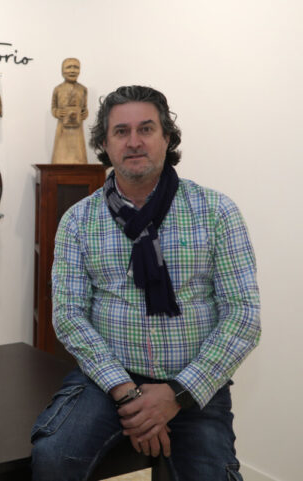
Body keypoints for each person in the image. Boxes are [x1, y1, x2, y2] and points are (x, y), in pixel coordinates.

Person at [31, 85, 260, 480]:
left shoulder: (217, 212)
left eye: (146, 129)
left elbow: (243, 316)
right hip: (107, 380)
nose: (134, 142)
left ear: (167, 138)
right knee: (53, 456)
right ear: (105, 144)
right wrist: (128, 394)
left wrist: (175, 395)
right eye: (121, 132)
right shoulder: (78, 221)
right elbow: (69, 315)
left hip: (193, 382)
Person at [51, 58, 88, 163]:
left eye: (76, 67)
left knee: (79, 150)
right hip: (63, 129)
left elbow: (84, 108)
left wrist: (84, 113)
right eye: (69, 67)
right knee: (61, 150)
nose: (72, 70)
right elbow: (53, 107)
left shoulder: (83, 89)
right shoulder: (58, 89)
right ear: (62, 70)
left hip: (77, 128)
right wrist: (57, 112)